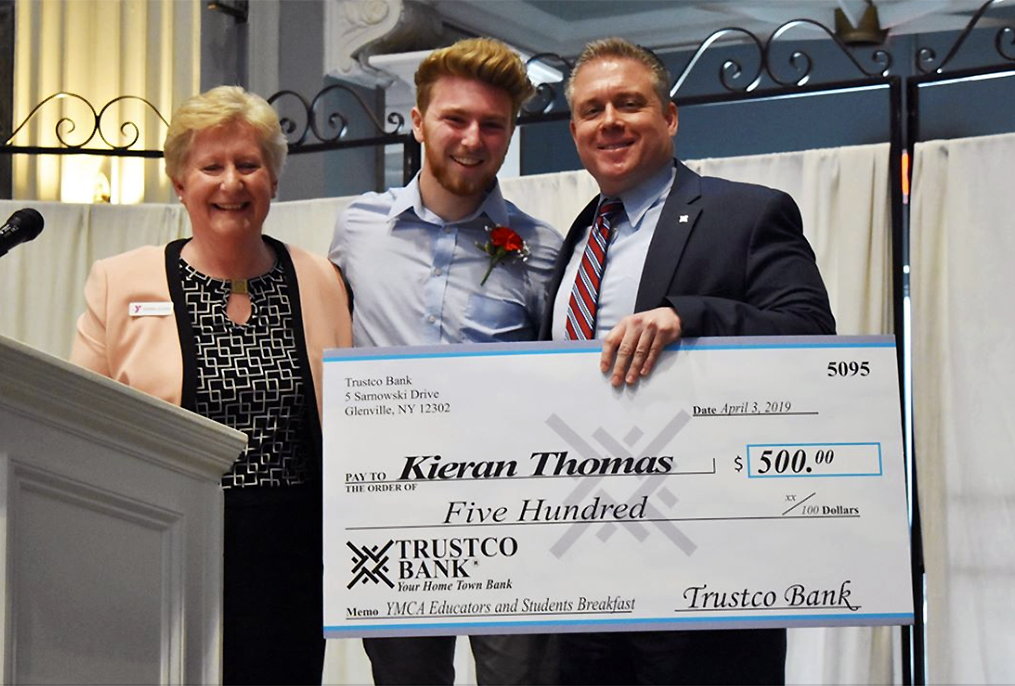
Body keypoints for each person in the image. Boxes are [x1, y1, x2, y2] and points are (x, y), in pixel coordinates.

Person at [542, 38, 835, 684]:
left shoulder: (747, 213)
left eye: (629, 103)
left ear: (669, 117)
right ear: (573, 131)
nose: (609, 121)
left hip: (707, 568)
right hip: (581, 571)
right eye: (592, 110)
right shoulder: (579, 234)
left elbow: (810, 336)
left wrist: (689, 316)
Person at [70, 86, 352, 684]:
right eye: (211, 166)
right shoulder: (120, 283)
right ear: (179, 183)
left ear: (273, 182)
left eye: (249, 165)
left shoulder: (321, 279)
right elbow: (81, 427)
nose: (232, 183)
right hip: (167, 542)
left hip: (293, 554)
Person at [330, 37, 562, 685]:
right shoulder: (356, 229)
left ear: (510, 133)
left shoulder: (540, 249)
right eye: (455, 119)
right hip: (389, 512)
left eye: (493, 124)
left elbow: (558, 380)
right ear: (418, 121)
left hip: (509, 519)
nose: (472, 138)